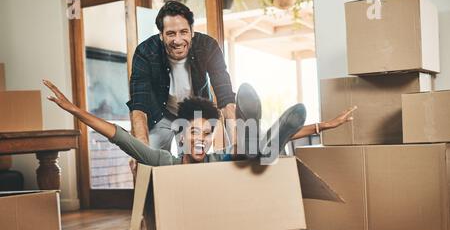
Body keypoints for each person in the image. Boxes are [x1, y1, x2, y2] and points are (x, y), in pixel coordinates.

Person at [43, 80, 357, 166]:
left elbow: (231, 152)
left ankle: (263, 137)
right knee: (252, 153)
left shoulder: (217, 157)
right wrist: (72, 109)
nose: (201, 139)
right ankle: (260, 137)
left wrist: (322, 126)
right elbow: (120, 136)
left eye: (207, 133)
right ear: (180, 133)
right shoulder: (163, 161)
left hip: (244, 159)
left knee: (247, 155)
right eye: (194, 132)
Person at [127, 1, 238, 171]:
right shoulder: (145, 52)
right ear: (161, 35)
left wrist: (239, 146)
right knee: (147, 164)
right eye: (171, 33)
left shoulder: (208, 46)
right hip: (159, 114)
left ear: (192, 31)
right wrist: (140, 148)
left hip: (193, 116)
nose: (178, 40)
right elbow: (139, 105)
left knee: (194, 167)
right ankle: (153, 197)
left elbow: (226, 98)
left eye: (184, 32)